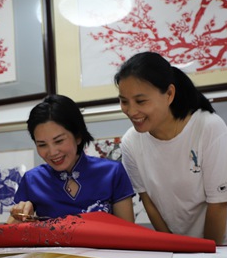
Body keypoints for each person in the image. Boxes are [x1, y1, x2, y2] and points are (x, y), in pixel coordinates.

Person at [114, 51, 227, 245]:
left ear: (169, 94)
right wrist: (173, 247)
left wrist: (204, 253)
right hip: (186, 246)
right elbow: (149, 202)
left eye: (140, 101)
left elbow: (218, 205)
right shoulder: (130, 143)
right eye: (124, 101)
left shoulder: (208, 127)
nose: (131, 111)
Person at [8, 94, 135, 223]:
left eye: (59, 141)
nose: (52, 152)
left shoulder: (112, 172)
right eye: (42, 145)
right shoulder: (32, 180)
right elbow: (8, 231)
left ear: (78, 136)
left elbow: (128, 231)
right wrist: (22, 218)